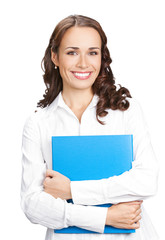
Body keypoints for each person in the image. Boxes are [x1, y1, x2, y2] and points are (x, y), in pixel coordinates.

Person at [21, 15, 159, 240]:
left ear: (102, 57)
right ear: (55, 56)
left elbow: (146, 180)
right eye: (72, 52)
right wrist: (104, 217)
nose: (83, 63)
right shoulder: (39, 123)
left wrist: (72, 191)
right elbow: (32, 204)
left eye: (92, 52)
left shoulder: (126, 110)